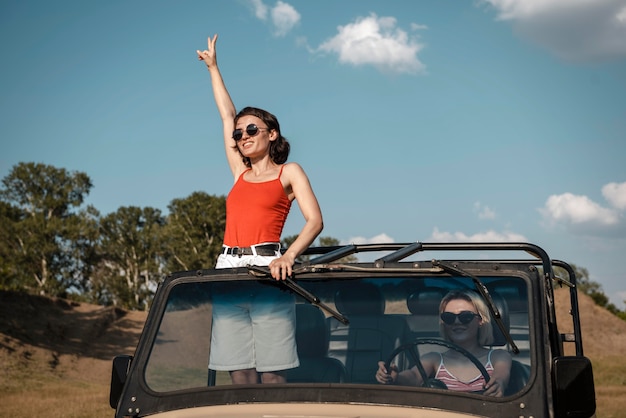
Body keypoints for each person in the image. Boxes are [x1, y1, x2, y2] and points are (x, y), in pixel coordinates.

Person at [197, 34, 324, 385]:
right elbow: (226, 114)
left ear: (271, 134)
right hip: (229, 268)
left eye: (252, 129)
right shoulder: (240, 172)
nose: (243, 135)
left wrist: (290, 256)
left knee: (271, 375)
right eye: (239, 134)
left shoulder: (290, 172)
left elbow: (315, 221)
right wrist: (214, 68)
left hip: (270, 268)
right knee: (240, 375)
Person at [375, 289, 512, 397]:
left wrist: (498, 384)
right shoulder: (434, 359)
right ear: (443, 322)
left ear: (480, 320)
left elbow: (500, 377)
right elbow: (414, 376)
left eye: (466, 317)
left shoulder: (498, 357)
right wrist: (395, 377)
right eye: (449, 317)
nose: (457, 322)